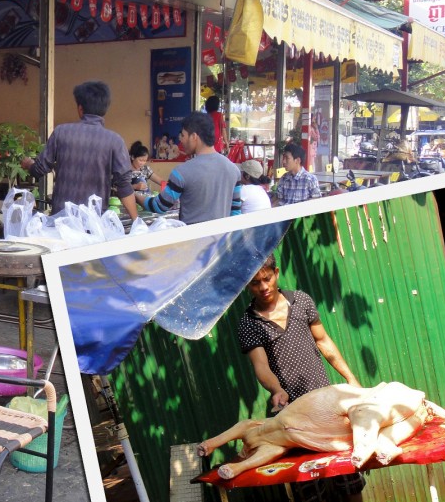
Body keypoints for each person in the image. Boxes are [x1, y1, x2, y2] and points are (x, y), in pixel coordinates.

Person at [238, 255, 365, 502]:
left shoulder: (301, 301)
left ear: (276, 272)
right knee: (309, 490)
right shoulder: (248, 322)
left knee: (349, 481)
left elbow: (324, 341)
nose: (263, 287)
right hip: (290, 418)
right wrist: (276, 389)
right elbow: (260, 365)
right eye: (255, 283)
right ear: (247, 285)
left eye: (267, 278)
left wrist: (351, 379)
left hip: (328, 407)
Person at [21, 81, 138, 218]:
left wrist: (28, 164)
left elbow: (39, 170)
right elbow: (124, 185)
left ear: (80, 108)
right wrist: (136, 221)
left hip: (61, 222)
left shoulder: (61, 132)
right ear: (105, 109)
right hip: (94, 224)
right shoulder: (115, 141)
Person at [137, 111, 241, 224]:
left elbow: (159, 206)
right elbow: (235, 213)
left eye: (182, 135)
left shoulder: (182, 172)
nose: (180, 139)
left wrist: (134, 196)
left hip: (192, 240)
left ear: (194, 137)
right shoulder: (233, 170)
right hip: (221, 240)